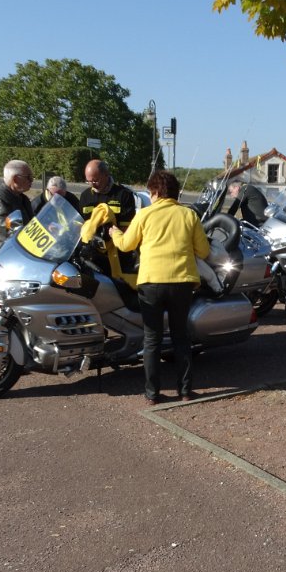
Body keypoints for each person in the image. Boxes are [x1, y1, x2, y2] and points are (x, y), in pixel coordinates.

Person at [110, 170, 210, 406]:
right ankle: (185, 391)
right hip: (182, 282)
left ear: (154, 192)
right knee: (180, 337)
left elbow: (126, 245)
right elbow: (204, 251)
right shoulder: (189, 215)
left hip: (151, 282)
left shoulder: (145, 214)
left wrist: (114, 232)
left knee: (152, 339)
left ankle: (152, 394)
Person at [80, 159, 138, 273]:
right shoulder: (85, 196)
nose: (92, 184)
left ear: (106, 174)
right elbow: (80, 224)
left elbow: (127, 229)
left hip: (117, 256)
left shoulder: (123, 195)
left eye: (95, 180)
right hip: (91, 255)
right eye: (88, 181)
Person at [0, 159, 36, 257]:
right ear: (16, 179)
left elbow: (33, 223)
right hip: (4, 256)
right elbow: (10, 229)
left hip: (21, 251)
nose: (32, 180)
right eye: (28, 177)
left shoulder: (23, 198)